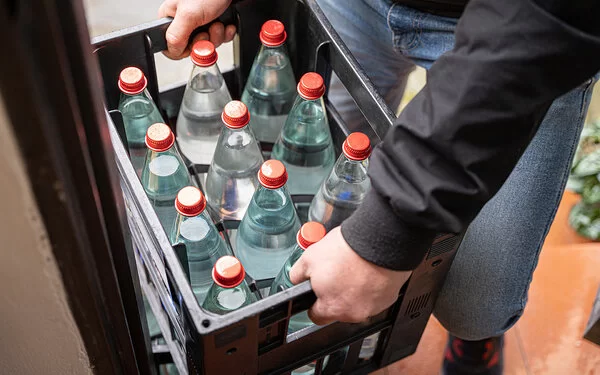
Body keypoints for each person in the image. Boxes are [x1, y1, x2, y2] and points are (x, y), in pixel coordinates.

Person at [158, 0, 600, 373]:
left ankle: (470, 338)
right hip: (353, 7)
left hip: (524, 35)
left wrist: (389, 232)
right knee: (339, 159)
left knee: (474, 308)